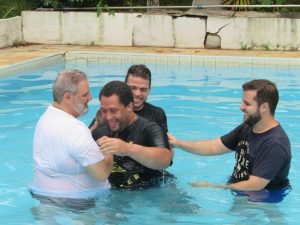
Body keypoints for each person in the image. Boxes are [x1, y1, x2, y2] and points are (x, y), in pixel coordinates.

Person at [168, 79, 291, 191]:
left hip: (262, 199)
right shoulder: (248, 127)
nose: (241, 107)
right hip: (238, 189)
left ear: (264, 107)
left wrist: (213, 187)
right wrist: (178, 143)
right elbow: (214, 146)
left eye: (247, 104)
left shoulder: (275, 144)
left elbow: (255, 185)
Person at [30, 69, 113, 201]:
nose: (90, 97)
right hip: (78, 204)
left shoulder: (45, 119)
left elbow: (69, 146)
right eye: (85, 95)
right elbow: (101, 173)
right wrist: (109, 148)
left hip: (44, 196)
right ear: (67, 97)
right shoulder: (75, 129)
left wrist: (96, 126)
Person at [92, 80, 173, 190]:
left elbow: (165, 160)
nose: (108, 117)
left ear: (129, 106)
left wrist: (127, 148)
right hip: (116, 193)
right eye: (104, 111)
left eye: (113, 110)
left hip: (152, 188)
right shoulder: (100, 130)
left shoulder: (150, 128)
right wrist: (95, 126)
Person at [89, 64, 168, 132]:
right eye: (133, 88)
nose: (137, 94)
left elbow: (166, 147)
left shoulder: (157, 114)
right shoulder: (109, 110)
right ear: (125, 87)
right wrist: (96, 125)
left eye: (143, 89)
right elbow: (85, 142)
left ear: (149, 90)